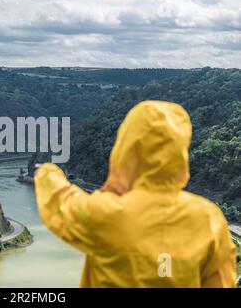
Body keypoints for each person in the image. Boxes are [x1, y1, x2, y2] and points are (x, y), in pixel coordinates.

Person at [34, 100, 237, 287]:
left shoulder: (107, 214)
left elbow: (63, 203)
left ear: (126, 149)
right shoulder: (209, 219)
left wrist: (47, 172)